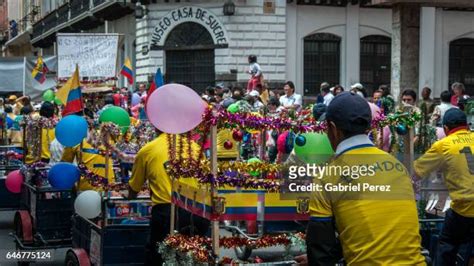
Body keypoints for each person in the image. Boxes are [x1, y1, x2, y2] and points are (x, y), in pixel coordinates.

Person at [300, 91, 425, 265]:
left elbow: (321, 249)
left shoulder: (327, 177)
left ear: (333, 129)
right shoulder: (397, 166)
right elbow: (380, 230)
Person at [127, 133, 210, 265]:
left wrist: (130, 195)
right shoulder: (194, 147)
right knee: (195, 257)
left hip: (167, 212)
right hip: (198, 210)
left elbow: (133, 190)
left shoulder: (148, 149)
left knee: (159, 256)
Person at [413, 108, 474, 265]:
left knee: (446, 244)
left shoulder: (443, 145)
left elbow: (417, 171)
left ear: (446, 129)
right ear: (467, 126)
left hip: (464, 208)